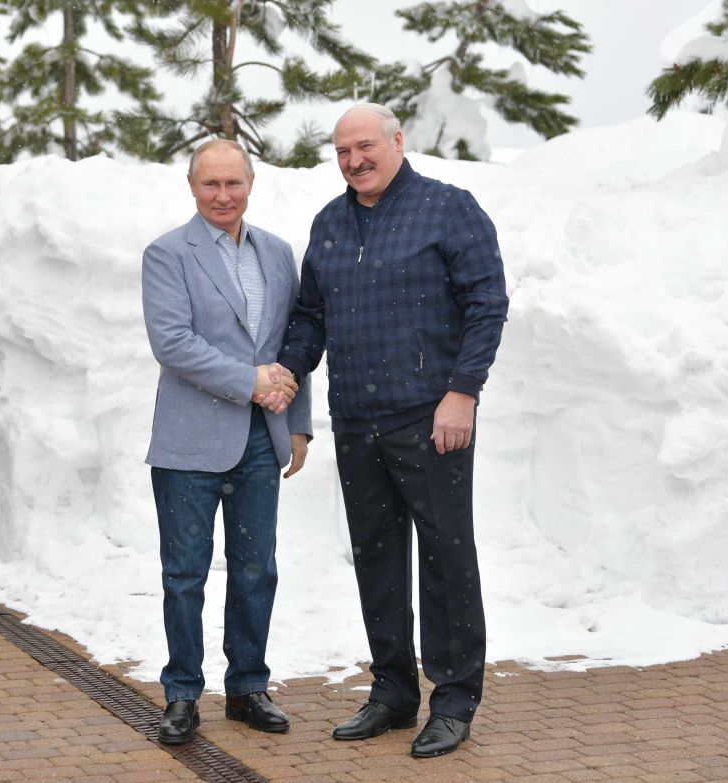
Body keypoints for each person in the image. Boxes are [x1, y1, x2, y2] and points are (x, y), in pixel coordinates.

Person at [276, 103, 508, 758]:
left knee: (445, 555)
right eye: (343, 150)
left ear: (396, 141)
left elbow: (487, 302)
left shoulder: (447, 208)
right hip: (356, 419)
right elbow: (309, 318)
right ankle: (392, 689)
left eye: (366, 146)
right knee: (376, 556)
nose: (355, 160)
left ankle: (455, 697)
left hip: (430, 417)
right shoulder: (329, 223)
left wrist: (462, 392)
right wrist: (287, 371)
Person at [141, 139, 312, 745]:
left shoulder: (276, 252)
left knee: (255, 570)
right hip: (190, 442)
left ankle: (247, 688)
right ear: (192, 187)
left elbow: (292, 344)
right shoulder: (167, 254)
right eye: (210, 185)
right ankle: (182, 694)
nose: (222, 195)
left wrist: (297, 423)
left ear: (250, 184)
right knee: (184, 574)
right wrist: (250, 382)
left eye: (233, 184)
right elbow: (173, 343)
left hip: (263, 440)